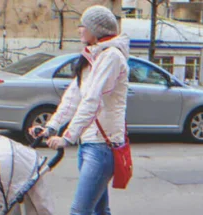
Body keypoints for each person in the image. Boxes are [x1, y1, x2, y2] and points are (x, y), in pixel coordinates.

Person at [29, 5, 130, 215]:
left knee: (80, 211)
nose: (79, 30)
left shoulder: (111, 57)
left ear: (96, 29)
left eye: (82, 25)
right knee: (99, 211)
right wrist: (50, 127)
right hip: (90, 144)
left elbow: (92, 100)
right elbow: (72, 98)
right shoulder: (91, 58)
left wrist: (67, 137)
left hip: (103, 147)